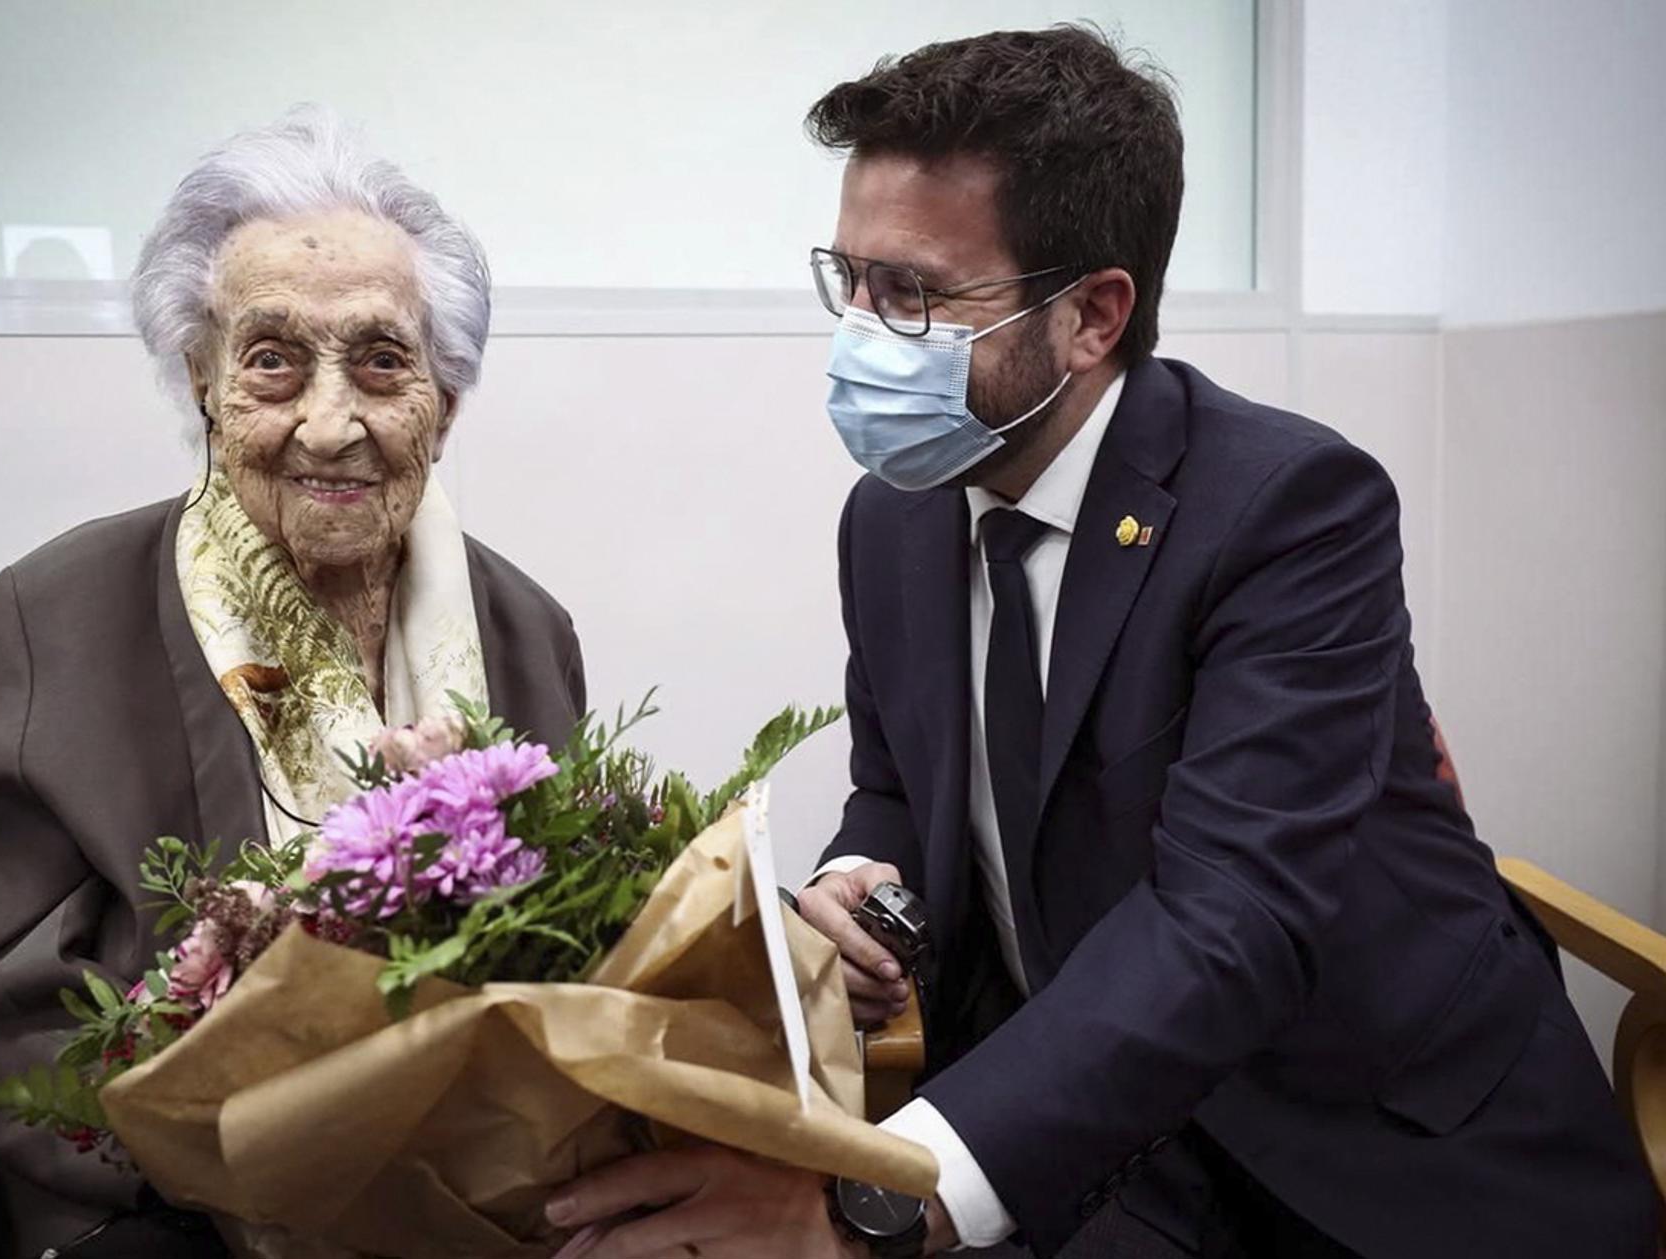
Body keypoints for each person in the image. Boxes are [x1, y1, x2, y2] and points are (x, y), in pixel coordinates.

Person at [546, 27, 1657, 1258]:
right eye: (847, 278)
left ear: (1092, 314)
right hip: (1087, 1134)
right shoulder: (895, 515)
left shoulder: (1291, 510)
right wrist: (863, 884)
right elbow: (900, 785)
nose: (859, 332)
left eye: (911, 291)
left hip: (1370, 1155)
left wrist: (881, 1197)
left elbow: (1227, 920)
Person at [0, 109, 585, 1256]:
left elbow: (577, 956)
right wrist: (253, 1149)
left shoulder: (527, 629)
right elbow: (15, 1008)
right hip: (180, 1193)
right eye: (273, 359)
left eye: (382, 361)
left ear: (447, 398)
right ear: (202, 381)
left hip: (480, 1184)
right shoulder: (53, 614)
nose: (328, 423)